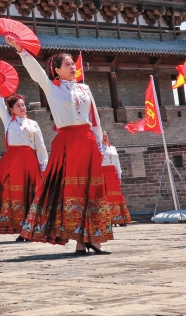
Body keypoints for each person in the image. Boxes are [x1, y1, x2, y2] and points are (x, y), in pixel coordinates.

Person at [9, 43, 113, 255]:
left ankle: (87, 240)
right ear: (56, 70)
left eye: (73, 63)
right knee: (72, 190)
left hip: (87, 141)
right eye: (67, 64)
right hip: (67, 143)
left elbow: (94, 119)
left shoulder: (84, 89)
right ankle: (79, 237)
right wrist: (21, 50)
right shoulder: (51, 88)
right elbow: (36, 72)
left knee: (90, 190)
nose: (73, 67)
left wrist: (99, 144)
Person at [0, 75, 48, 238]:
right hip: (12, 163)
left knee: (30, 194)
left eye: (23, 105)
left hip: (30, 162)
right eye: (18, 105)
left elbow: (40, 147)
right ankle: (19, 228)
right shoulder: (9, 122)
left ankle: (30, 229)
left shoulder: (33, 124)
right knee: (14, 195)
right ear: (12, 110)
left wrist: (44, 165)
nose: (22, 107)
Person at [100, 132, 131, 226]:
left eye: (106, 136)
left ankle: (120, 219)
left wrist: (119, 175)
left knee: (117, 195)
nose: (105, 138)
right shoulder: (99, 148)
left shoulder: (113, 148)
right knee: (105, 196)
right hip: (103, 173)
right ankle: (108, 219)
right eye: (103, 136)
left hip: (113, 173)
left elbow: (117, 162)